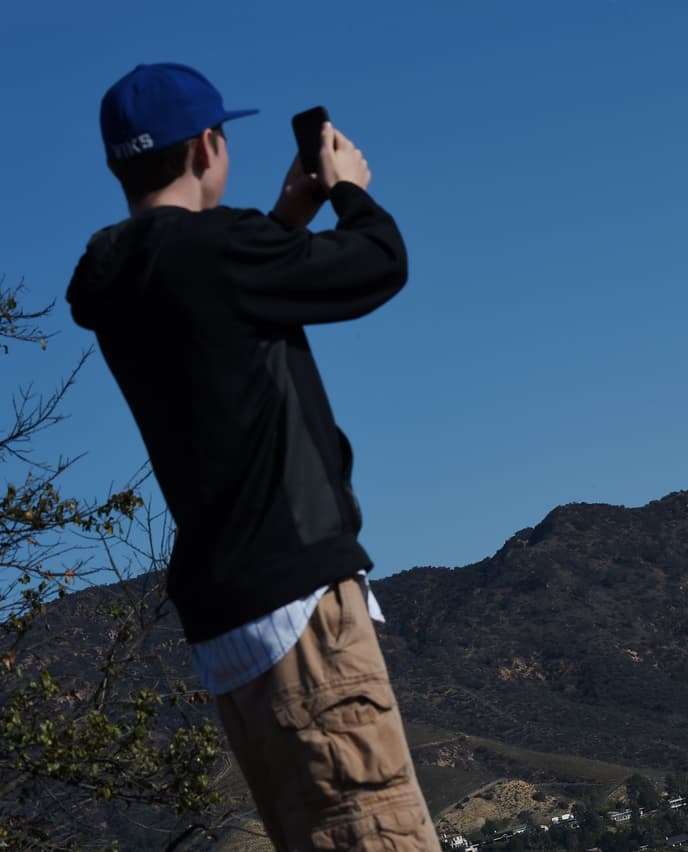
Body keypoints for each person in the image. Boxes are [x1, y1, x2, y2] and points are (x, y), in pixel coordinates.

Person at [66, 62, 442, 851]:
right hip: (300, 601)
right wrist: (347, 189)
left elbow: (218, 297)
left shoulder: (117, 277)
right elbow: (380, 261)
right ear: (207, 147)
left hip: (229, 621)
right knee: (377, 832)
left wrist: (284, 216)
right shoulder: (216, 251)